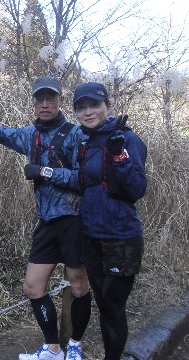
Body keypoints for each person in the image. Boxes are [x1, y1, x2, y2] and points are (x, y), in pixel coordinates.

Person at [0, 76, 91, 360]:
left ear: (60, 102)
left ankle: (75, 346)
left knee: (78, 286)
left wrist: (44, 171)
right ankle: (53, 349)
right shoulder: (31, 135)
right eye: (39, 99)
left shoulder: (76, 134)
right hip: (47, 223)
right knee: (32, 286)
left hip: (73, 221)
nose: (44, 104)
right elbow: (4, 134)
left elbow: (84, 179)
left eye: (50, 99)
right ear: (34, 102)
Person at [72, 82, 147, 360]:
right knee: (104, 304)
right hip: (91, 234)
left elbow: (137, 189)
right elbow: (84, 183)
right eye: (82, 107)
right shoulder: (86, 142)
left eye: (95, 105)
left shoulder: (127, 139)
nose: (89, 112)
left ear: (107, 106)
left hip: (121, 237)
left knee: (114, 305)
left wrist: (120, 156)